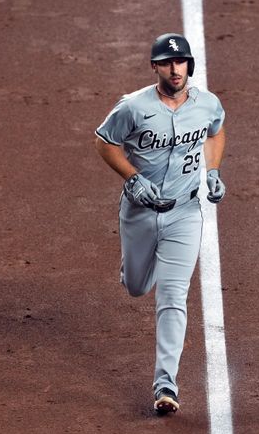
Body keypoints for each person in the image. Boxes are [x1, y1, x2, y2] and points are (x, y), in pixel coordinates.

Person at [94, 33, 226, 414]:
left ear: (189, 65)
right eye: (167, 63)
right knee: (137, 287)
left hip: (185, 214)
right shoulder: (133, 107)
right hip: (138, 212)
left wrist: (213, 171)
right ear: (155, 67)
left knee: (173, 298)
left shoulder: (207, 105)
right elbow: (104, 141)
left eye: (181, 61)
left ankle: (165, 385)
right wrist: (132, 177)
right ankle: (136, 268)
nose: (175, 69)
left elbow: (216, 131)